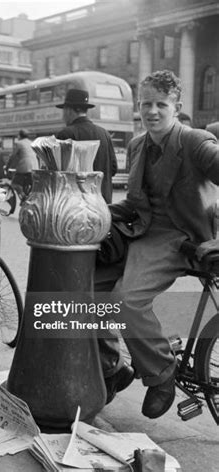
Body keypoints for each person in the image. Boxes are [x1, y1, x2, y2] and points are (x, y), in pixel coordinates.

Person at [97, 70, 219, 419]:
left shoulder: (194, 141)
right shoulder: (137, 145)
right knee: (84, 287)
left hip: (181, 237)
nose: (152, 111)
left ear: (176, 107)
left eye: (161, 104)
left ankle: (161, 373)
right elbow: (135, 205)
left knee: (125, 300)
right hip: (143, 233)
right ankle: (112, 366)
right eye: (146, 103)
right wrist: (93, 212)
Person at [56, 89, 118, 203]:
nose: (63, 116)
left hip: (76, 205)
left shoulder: (65, 134)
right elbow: (113, 169)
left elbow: (58, 173)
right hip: (102, 203)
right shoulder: (105, 133)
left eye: (64, 111)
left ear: (69, 110)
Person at [4, 129, 39, 202]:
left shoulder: (18, 143)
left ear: (19, 136)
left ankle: (24, 197)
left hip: (25, 167)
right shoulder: (32, 143)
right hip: (35, 167)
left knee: (15, 184)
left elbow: (12, 157)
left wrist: (7, 167)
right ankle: (28, 198)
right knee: (30, 185)